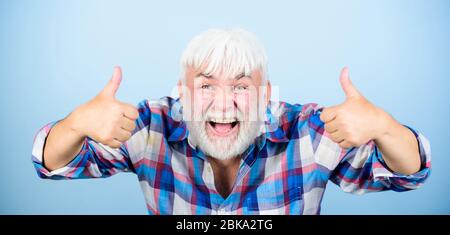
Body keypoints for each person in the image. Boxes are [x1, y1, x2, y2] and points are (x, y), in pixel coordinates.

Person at [31, 28, 431, 215]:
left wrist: (384, 127)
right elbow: (50, 165)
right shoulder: (148, 127)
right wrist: (77, 124)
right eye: (205, 86)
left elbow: (409, 174)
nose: (224, 104)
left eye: (241, 86)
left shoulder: (309, 132)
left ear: (266, 93)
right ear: (182, 92)